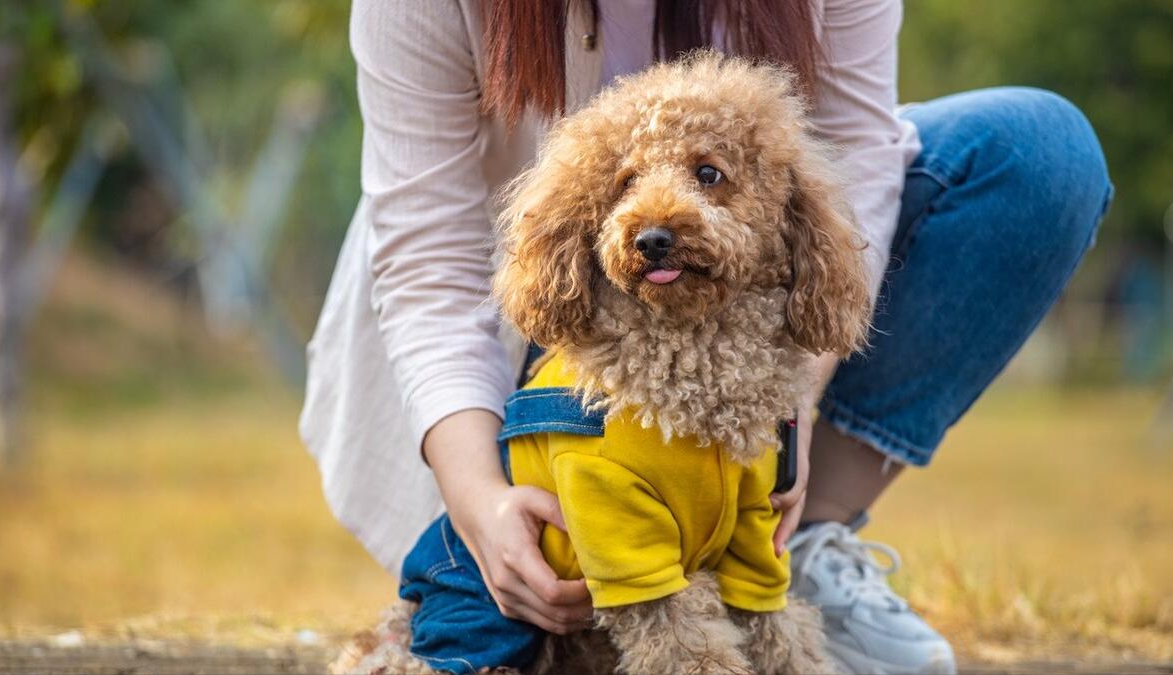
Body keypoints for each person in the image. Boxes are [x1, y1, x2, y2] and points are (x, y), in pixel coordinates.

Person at [299, 1, 1112, 672]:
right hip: (520, 354)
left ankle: (800, 539)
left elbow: (858, 159)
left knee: (1038, 151)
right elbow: (427, 263)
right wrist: (478, 501)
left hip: (747, 348)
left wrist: (785, 410)